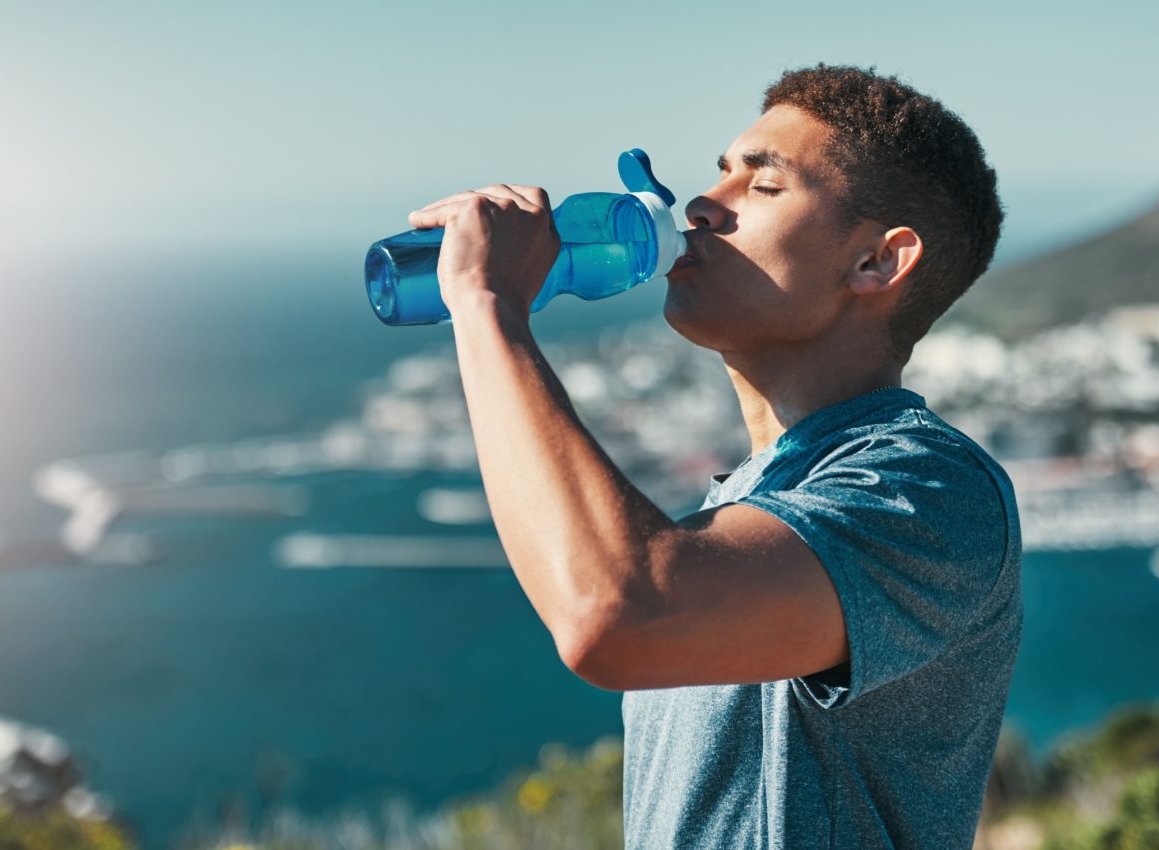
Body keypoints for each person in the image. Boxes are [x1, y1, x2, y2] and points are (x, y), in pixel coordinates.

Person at [406, 63, 1021, 850]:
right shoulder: (742, 507)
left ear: (876, 262)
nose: (702, 204)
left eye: (762, 186)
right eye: (718, 173)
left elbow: (615, 613)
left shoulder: (929, 489)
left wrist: (488, 305)